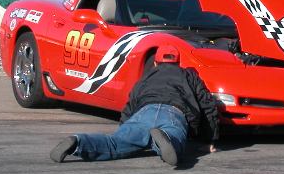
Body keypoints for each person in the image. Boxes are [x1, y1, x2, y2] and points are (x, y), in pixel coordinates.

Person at [50, 45, 219, 166]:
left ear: (155, 63)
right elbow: (207, 104)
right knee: (175, 137)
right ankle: (165, 139)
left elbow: (130, 104)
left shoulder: (145, 78)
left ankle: (78, 143)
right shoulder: (188, 74)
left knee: (114, 144)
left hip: (144, 112)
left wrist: (125, 128)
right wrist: (208, 139)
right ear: (178, 62)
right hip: (174, 112)